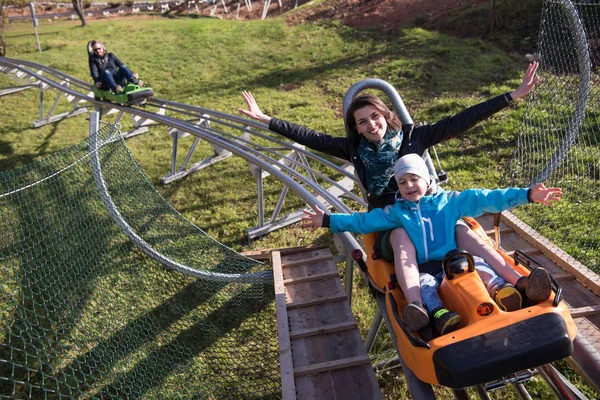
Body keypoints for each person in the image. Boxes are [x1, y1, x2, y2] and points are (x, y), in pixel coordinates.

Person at [238, 62, 547, 321]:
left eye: (375, 116)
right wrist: (266, 119)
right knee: (401, 234)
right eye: (363, 122)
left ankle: (509, 280)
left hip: (425, 211)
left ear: (385, 114)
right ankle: (417, 303)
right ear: (356, 127)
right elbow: (309, 136)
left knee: (459, 228)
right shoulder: (353, 148)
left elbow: (460, 120)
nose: (372, 125)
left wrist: (512, 95)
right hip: (390, 219)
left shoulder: (412, 137)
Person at [302, 154, 561, 335]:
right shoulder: (396, 212)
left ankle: (510, 289)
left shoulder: (450, 201)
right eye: (402, 182)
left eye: (414, 179)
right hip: (425, 267)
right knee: (426, 289)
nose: (409, 185)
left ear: (427, 181)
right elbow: (363, 221)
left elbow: (487, 197)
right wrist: (327, 220)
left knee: (481, 268)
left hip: (458, 259)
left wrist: (527, 194)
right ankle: (430, 313)